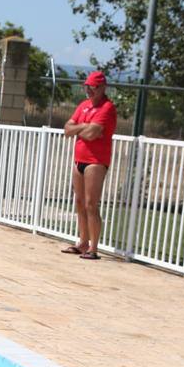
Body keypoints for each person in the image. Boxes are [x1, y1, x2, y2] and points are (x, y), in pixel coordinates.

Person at [62, 70, 118, 260]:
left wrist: (81, 129)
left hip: (96, 161)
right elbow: (67, 129)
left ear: (102, 88)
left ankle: (94, 248)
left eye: (92, 87)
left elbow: (93, 133)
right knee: (79, 202)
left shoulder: (107, 107)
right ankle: (82, 242)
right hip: (79, 159)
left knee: (91, 204)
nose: (88, 90)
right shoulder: (83, 105)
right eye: (86, 87)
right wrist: (84, 129)